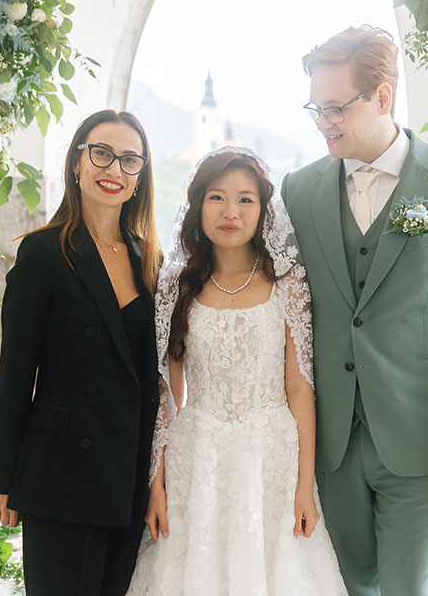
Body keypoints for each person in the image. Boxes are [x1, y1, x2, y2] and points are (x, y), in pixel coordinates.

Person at [281, 27, 428, 595]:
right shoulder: (298, 190)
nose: (323, 121)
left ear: (383, 98)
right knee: (347, 587)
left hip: (426, 443)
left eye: (336, 107)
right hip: (330, 444)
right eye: (316, 107)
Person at [127, 147, 347, 595]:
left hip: (272, 458)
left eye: (246, 199)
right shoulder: (177, 283)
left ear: (264, 210)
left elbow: (301, 390)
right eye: (217, 197)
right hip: (197, 456)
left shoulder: (289, 283)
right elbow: (168, 392)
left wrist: (305, 487)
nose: (231, 212)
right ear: (197, 205)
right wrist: (156, 483)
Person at [0, 110, 162, 595]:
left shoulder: (149, 259)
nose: (114, 170)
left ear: (140, 176)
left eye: (130, 160)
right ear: (76, 163)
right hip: (60, 474)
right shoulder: (44, 253)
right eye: (102, 154)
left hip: (127, 473)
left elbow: (153, 378)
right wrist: (6, 477)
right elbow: (17, 373)